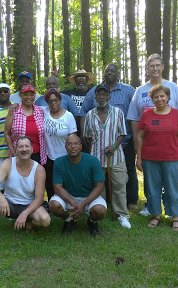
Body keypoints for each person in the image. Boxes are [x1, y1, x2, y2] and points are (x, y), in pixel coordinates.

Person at [127, 54, 178, 216]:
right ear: (147, 69)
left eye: (157, 65)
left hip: (169, 146)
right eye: (151, 66)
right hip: (148, 145)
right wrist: (135, 141)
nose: (154, 68)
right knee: (150, 180)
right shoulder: (140, 91)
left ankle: (171, 211)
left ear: (162, 67)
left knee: (170, 181)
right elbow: (133, 117)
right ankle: (151, 206)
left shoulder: (173, 88)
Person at [80, 64, 138, 213]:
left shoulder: (128, 91)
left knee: (125, 175)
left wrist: (119, 144)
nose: (109, 73)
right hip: (97, 151)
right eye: (107, 71)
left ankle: (128, 205)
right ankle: (102, 206)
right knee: (99, 182)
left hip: (122, 145)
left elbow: (134, 112)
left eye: (112, 70)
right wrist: (84, 136)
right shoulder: (92, 102)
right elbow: (83, 113)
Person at [0, 136, 51, 248]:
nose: (24, 149)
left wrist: (25, 213)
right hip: (8, 205)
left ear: (32, 149)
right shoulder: (8, 163)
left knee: (45, 220)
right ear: (16, 150)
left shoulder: (39, 169)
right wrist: (2, 198)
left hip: (28, 206)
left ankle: (27, 221)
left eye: (27, 146)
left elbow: (39, 199)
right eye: (21, 147)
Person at [135, 85, 178, 231]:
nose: (159, 99)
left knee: (172, 187)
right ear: (152, 99)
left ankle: (175, 216)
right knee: (152, 188)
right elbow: (140, 136)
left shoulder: (176, 114)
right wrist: (139, 158)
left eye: (162, 96)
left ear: (168, 97)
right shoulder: (147, 115)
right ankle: (155, 214)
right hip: (150, 158)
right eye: (156, 97)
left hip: (171, 157)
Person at [83, 84, 131, 229]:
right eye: (99, 95)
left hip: (116, 157)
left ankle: (122, 215)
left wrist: (114, 146)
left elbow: (123, 133)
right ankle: (98, 212)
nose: (101, 97)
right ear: (95, 97)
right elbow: (87, 137)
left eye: (104, 94)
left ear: (109, 97)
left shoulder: (118, 112)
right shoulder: (90, 114)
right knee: (98, 187)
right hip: (96, 158)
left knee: (119, 185)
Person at [49, 134, 106, 236]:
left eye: (76, 144)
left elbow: (100, 186)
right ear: (65, 147)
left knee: (100, 211)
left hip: (89, 197)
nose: (73, 146)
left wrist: (82, 205)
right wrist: (73, 202)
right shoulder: (59, 162)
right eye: (69, 144)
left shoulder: (93, 161)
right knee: (53, 205)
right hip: (69, 196)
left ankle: (92, 222)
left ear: (81, 146)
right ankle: (69, 220)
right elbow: (57, 187)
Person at [40, 89, 77, 202]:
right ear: (47, 103)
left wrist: (72, 154)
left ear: (60, 100)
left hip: (64, 155)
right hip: (48, 155)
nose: (53, 103)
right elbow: (27, 106)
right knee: (50, 181)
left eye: (56, 100)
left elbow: (73, 136)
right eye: (50, 101)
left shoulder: (68, 116)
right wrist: (14, 105)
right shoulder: (43, 111)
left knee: (65, 182)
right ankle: (52, 203)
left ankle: (69, 203)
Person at [5, 84, 47, 165]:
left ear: (35, 96)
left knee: (36, 177)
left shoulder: (40, 111)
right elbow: (7, 133)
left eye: (31, 95)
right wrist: (13, 153)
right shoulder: (13, 111)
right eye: (26, 95)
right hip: (19, 155)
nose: (29, 97)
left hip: (37, 155)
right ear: (21, 95)